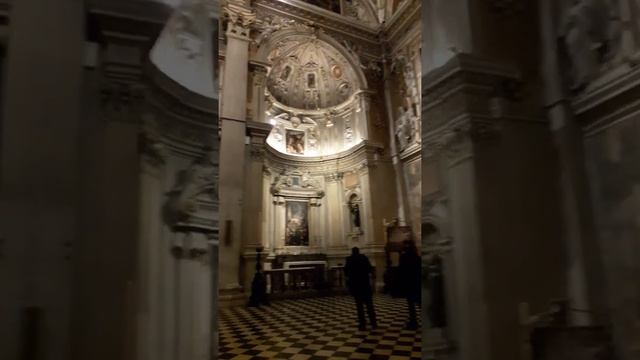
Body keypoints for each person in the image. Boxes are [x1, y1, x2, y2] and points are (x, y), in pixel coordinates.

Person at [344, 247, 377, 331]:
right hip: (365, 284)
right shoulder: (364, 258)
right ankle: (373, 322)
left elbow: (346, 272)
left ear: (352, 252)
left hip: (356, 285)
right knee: (369, 304)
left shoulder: (349, 259)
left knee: (359, 306)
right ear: (359, 252)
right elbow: (369, 269)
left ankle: (362, 324)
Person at [399, 239, 421, 329]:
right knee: (418, 302)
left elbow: (402, 270)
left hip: (408, 283)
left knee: (411, 304)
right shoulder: (416, 257)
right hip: (416, 281)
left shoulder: (403, 257)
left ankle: (413, 321)